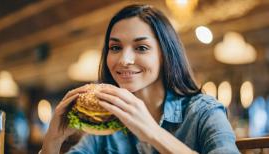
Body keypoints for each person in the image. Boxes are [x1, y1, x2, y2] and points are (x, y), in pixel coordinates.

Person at [41, 4, 240, 154]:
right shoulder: (107, 122)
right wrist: (52, 141)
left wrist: (152, 132)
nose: (124, 60)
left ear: (165, 54)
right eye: (115, 48)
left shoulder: (203, 112)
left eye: (141, 48)